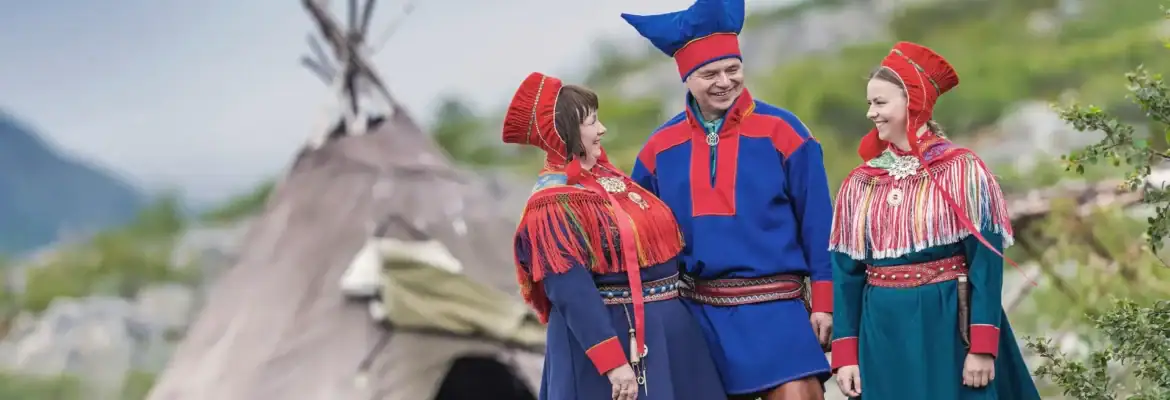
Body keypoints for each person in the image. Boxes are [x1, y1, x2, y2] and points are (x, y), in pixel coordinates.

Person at [623, 0, 834, 398]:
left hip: (779, 313)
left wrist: (825, 299)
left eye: (732, 69)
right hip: (698, 319)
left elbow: (819, 223)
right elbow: (641, 240)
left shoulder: (785, 132)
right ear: (686, 77)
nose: (724, 81)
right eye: (709, 73)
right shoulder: (657, 150)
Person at [828, 41, 1041, 399]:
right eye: (869, 103)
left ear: (913, 102)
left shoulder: (963, 171)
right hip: (882, 334)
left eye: (880, 103)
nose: (871, 113)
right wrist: (846, 356)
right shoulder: (860, 183)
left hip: (948, 328)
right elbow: (845, 275)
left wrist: (983, 346)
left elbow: (985, 265)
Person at [503, 72, 726, 400]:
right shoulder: (551, 205)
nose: (602, 129)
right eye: (591, 122)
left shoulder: (609, 178)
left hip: (668, 336)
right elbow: (570, 291)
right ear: (562, 132)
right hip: (620, 344)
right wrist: (612, 363)